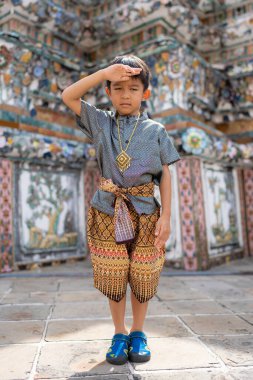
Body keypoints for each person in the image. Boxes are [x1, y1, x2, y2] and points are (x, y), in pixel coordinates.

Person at [62, 55, 181, 365]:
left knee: (143, 275)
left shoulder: (156, 130)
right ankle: (119, 332)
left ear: (145, 93)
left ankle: (138, 333)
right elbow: (68, 95)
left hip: (147, 213)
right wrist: (103, 71)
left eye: (133, 88)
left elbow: (165, 173)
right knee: (114, 277)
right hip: (106, 211)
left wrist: (166, 216)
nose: (125, 95)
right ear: (108, 92)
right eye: (117, 88)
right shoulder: (100, 122)